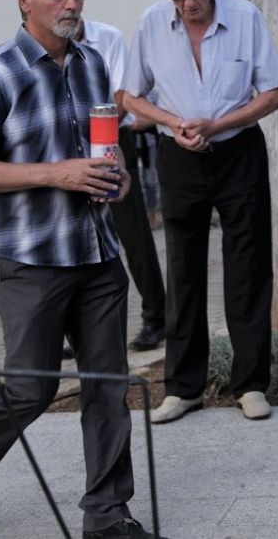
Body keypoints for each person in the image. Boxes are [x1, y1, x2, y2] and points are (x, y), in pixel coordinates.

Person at [0, 0, 166, 539]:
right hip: (28, 257)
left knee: (108, 388)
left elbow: (100, 148)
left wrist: (108, 177)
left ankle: (107, 514)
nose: (72, 5)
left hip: (96, 252)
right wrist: (55, 173)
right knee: (31, 386)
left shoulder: (92, 65)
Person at [120, 0, 278, 424]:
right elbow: (129, 96)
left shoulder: (245, 16)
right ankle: (183, 387)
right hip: (178, 154)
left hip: (237, 150)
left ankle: (251, 384)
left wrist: (217, 124)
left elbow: (272, 93)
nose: (190, 3)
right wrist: (173, 121)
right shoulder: (152, 23)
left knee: (249, 267)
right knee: (184, 269)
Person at [77, 18, 168, 352]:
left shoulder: (108, 38)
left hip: (112, 138)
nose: (68, 5)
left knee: (132, 233)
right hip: (70, 146)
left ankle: (157, 317)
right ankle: (82, 328)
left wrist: (89, 129)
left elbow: (120, 97)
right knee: (79, 236)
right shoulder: (46, 45)